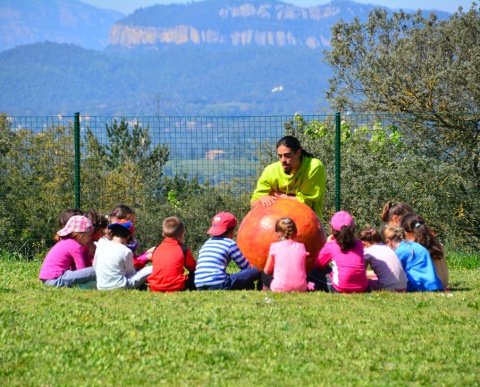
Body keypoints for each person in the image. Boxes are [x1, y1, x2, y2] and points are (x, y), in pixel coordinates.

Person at [251, 135, 326, 220]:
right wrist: (261, 199)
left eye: (287, 155)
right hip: (276, 224)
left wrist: (276, 194)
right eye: (280, 156)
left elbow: (304, 205)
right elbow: (253, 205)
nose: (283, 160)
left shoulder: (313, 167)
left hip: (307, 222)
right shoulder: (270, 171)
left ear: (298, 153)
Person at [194, 212, 260, 290]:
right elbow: (245, 266)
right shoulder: (229, 243)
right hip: (219, 284)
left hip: (199, 284)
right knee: (255, 271)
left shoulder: (207, 242)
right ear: (231, 232)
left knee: (235, 277)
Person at [312, 211, 367, 293]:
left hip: (340, 288)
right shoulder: (359, 244)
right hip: (362, 287)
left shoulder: (331, 246)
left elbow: (319, 264)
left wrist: (327, 244)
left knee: (312, 272)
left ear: (332, 229)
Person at [39, 215, 96, 287]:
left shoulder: (65, 242)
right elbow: (81, 270)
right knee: (95, 271)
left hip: (48, 280)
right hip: (56, 279)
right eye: (89, 236)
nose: (90, 239)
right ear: (80, 235)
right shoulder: (76, 246)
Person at [93, 221, 152, 290]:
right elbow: (130, 273)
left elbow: (95, 265)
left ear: (112, 232)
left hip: (101, 286)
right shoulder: (126, 251)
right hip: (120, 286)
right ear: (129, 236)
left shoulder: (101, 245)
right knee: (151, 268)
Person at [383, 226, 443, 292]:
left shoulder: (399, 252)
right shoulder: (414, 245)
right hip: (435, 284)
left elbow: (391, 272)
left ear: (388, 242)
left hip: (420, 286)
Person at [148, 216, 196, 292]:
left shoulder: (156, 249)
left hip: (154, 287)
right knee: (196, 274)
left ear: (163, 234)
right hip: (177, 287)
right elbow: (193, 267)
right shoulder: (183, 249)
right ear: (182, 235)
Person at [401, 214, 448, 290]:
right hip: (443, 282)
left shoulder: (412, 248)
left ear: (406, 232)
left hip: (429, 284)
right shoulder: (437, 244)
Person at [261, 217, 308, 292]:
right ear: (296, 233)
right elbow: (303, 269)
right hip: (301, 288)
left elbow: (267, 270)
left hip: (279, 288)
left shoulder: (274, 246)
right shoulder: (302, 246)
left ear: (276, 234)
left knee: (263, 274)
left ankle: (265, 288)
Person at [109, 204, 153, 270]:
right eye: (131, 221)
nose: (133, 225)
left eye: (133, 222)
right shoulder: (116, 241)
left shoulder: (128, 240)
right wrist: (146, 257)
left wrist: (146, 253)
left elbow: (132, 258)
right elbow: (130, 266)